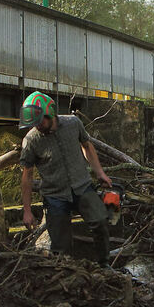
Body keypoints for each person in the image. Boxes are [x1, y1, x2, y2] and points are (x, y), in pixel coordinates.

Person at [18, 91, 113, 266]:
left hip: (82, 185)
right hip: (55, 195)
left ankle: (104, 264)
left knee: (100, 221)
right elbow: (27, 175)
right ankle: (66, 271)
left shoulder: (73, 123)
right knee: (60, 245)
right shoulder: (31, 140)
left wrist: (99, 172)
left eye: (40, 122)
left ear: (50, 114)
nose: (37, 126)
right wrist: (27, 210)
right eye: (34, 123)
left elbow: (87, 146)